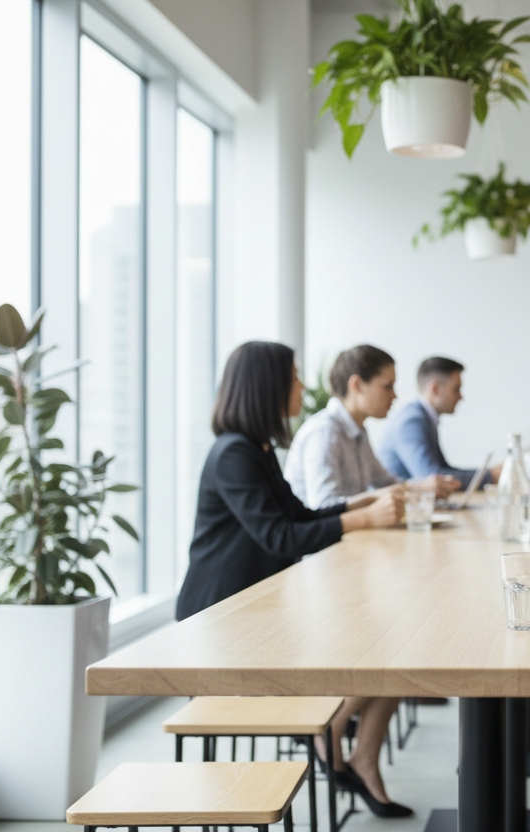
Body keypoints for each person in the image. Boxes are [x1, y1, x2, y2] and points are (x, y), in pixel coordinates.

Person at [175, 341, 412, 818]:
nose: (302, 388)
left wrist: (361, 506)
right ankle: (329, 733)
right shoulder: (233, 455)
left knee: (396, 644)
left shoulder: (256, 451)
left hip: (262, 603)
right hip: (226, 619)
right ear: (268, 387)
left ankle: (343, 741)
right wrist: (363, 520)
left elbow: (299, 514)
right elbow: (280, 536)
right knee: (388, 645)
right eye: (294, 378)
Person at [285, 344, 458, 509]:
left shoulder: (358, 429)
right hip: (327, 540)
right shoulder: (324, 431)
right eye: (387, 386)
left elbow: (385, 483)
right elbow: (323, 505)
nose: (395, 395)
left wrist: (421, 487)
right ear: (357, 385)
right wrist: (407, 491)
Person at [377, 356, 501, 486]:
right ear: (435, 388)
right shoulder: (412, 421)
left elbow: (444, 469)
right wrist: (490, 476)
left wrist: (488, 473)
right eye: (456, 389)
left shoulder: (425, 418)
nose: (461, 397)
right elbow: (432, 477)